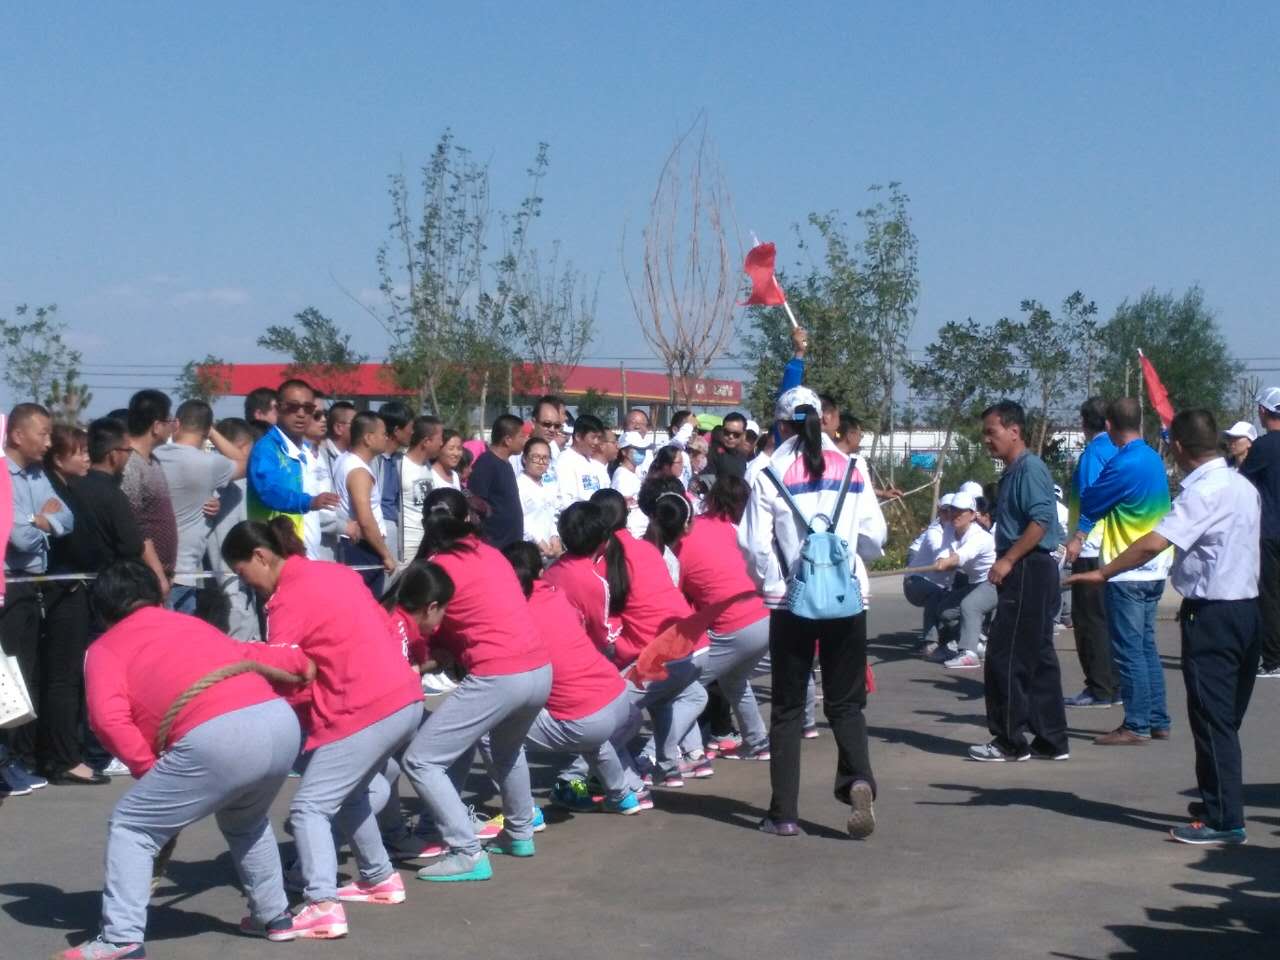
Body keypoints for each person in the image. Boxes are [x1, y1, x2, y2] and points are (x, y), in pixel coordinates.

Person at [54, 560, 310, 959]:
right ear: (157, 596)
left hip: (217, 734)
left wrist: (146, 767)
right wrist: (299, 663)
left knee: (133, 826)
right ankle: (274, 916)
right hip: (278, 722)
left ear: (101, 611)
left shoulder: (103, 649)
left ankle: (120, 938)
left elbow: (108, 720)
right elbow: (251, 653)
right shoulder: (192, 624)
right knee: (246, 820)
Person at [1067, 410, 1262, 845]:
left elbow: (1154, 542)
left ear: (1177, 448)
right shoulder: (1241, 485)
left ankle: (1224, 820)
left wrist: (1103, 572)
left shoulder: (1202, 493)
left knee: (1212, 719)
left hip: (1213, 615)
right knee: (1224, 717)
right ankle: (1217, 800)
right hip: (1246, 612)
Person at [222, 519, 423, 938]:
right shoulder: (336, 572)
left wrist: (240, 662)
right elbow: (383, 626)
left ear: (261, 556)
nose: (247, 583)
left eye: (243, 572)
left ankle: (322, 904)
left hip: (362, 707)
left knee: (309, 808)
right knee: (349, 792)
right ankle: (379, 877)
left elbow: (287, 670)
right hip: (404, 696)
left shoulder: (285, 601)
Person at [742, 386, 886, 837]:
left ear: (781, 425)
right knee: (846, 703)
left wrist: (772, 581)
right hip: (848, 600)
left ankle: (783, 814)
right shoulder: (854, 467)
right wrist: (849, 564)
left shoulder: (767, 472)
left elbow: (753, 545)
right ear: (823, 420)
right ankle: (858, 779)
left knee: (787, 709)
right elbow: (874, 537)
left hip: (791, 603)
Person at [400, 487, 551, 881]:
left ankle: (466, 851)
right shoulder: (491, 553)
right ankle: (519, 833)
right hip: (539, 669)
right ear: (466, 519)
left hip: (499, 673)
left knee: (421, 760)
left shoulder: (438, 567)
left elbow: (426, 627)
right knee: (506, 750)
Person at [502, 541, 645, 814]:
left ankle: (523, 814)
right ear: (541, 572)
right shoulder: (557, 595)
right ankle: (621, 796)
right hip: (618, 699)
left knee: (492, 732)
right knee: (592, 731)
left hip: (585, 718)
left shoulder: (513, 614)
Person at [968, 400, 1070, 763]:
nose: (986, 439)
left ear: (1014, 431)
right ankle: (1051, 739)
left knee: (1005, 655)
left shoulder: (1030, 469)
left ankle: (1009, 741)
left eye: (991, 432)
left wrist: (1008, 559)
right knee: (1037, 655)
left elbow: (1041, 521)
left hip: (1028, 567)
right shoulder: (1013, 472)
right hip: (1030, 567)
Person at [1067, 397, 1173, 745]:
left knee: (1129, 651)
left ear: (1109, 425)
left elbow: (1092, 500)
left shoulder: (1123, 462)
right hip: (1155, 566)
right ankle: (1157, 719)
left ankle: (1136, 724)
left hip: (1128, 568)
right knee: (1145, 646)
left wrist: (1080, 533)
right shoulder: (1153, 458)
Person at [670, 475, 772, 760]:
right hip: (764, 615)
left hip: (733, 625)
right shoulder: (730, 528)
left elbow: (678, 598)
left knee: (681, 686)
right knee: (734, 680)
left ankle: (682, 755)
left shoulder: (681, 543)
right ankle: (757, 742)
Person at [2, 403, 74, 796]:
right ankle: (7, 762)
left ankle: (16, 760)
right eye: (43, 433)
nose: (49, 442)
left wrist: (40, 521)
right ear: (17, 435)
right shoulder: (4, 474)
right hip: (10, 585)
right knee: (9, 679)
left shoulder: (37, 474)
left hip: (32, 585)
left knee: (25, 675)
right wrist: (40, 521)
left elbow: (68, 518)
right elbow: (17, 538)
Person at [153, 400, 247, 614]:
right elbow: (243, 462)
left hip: (150, 565)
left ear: (176, 424)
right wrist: (212, 431)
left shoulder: (154, 456)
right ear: (206, 430)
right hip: (184, 568)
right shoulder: (211, 464)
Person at [1063, 396, 1120, 709]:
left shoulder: (1093, 454)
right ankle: (1115, 684)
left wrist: (1078, 538)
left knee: (1089, 620)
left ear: (1084, 423)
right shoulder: (1120, 450)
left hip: (1091, 546)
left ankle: (1099, 688)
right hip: (1115, 545)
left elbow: (1090, 499)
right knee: (1108, 619)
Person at [246, 379, 343, 561]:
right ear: (278, 408)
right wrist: (309, 502)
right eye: (292, 407)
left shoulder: (307, 452)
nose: (301, 414)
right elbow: (269, 492)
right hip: (276, 555)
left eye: (308, 408)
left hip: (307, 554)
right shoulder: (266, 449)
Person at [204, 418, 261, 641]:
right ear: (242, 447)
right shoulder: (222, 477)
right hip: (229, 577)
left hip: (243, 577)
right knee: (237, 632)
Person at [930, 491, 997, 670]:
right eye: (953, 510)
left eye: (961, 511)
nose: (955, 514)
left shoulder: (979, 536)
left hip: (995, 582)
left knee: (970, 605)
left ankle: (969, 653)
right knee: (945, 611)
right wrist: (941, 560)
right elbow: (944, 551)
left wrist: (946, 562)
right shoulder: (949, 529)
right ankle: (974, 641)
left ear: (973, 515)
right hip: (975, 583)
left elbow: (962, 556)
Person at [1240, 386, 1280, 679]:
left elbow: (1242, 482)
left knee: (1269, 595)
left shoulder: (1264, 447)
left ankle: (1274, 659)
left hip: (1269, 531)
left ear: (1263, 412)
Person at [120, 390, 179, 586]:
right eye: (170, 420)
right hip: (142, 577)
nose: (173, 426)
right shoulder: (130, 464)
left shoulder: (153, 461)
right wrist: (157, 572)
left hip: (159, 575)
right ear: (156, 426)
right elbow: (136, 525)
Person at [334, 411, 397, 580]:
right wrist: (386, 554)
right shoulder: (358, 471)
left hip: (359, 546)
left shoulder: (345, 460)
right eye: (383, 434)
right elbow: (365, 519)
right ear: (368, 438)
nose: (387, 438)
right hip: (362, 548)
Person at [467, 414, 526, 549]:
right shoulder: (486, 464)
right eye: (521, 436)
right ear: (508, 440)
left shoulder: (506, 463)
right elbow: (475, 503)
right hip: (495, 545)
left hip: (512, 544)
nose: (525, 440)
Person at [905, 495, 955, 653]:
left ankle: (957, 639)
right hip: (915, 581)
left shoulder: (962, 532)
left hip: (942, 583)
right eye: (944, 510)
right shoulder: (935, 532)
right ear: (939, 512)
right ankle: (930, 642)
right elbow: (940, 555)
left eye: (953, 510)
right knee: (936, 592)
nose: (949, 514)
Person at [399, 415, 444, 561]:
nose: (442, 443)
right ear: (426, 441)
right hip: (407, 546)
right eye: (440, 438)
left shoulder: (428, 466)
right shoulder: (400, 465)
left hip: (428, 543)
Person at [376, 401, 413, 562]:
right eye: (410, 427)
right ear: (397, 431)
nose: (413, 432)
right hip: (380, 528)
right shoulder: (374, 460)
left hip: (396, 527)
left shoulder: (399, 460)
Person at [556, 414, 609, 511]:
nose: (596, 442)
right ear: (578, 436)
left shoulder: (597, 466)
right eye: (593, 437)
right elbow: (566, 501)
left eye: (599, 438)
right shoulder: (564, 461)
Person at [518, 436, 561, 559]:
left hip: (549, 550)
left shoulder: (548, 486)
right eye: (536, 457)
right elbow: (520, 520)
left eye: (545, 458)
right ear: (525, 458)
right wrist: (538, 541)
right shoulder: (518, 486)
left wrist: (554, 536)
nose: (541, 462)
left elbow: (551, 516)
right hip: (528, 551)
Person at [513, 395, 565, 487]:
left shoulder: (555, 452)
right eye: (547, 424)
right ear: (533, 423)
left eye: (556, 426)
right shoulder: (517, 453)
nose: (552, 429)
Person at [611, 430, 652, 538]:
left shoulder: (635, 473)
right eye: (637, 449)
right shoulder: (622, 476)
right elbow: (623, 509)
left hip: (640, 533)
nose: (641, 452)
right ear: (624, 452)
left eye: (643, 449)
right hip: (632, 534)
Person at [705, 412, 749, 481]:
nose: (730, 436)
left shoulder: (743, 456)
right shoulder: (711, 454)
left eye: (736, 434)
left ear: (744, 434)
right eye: (727, 432)